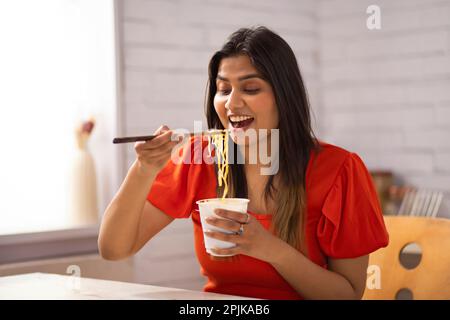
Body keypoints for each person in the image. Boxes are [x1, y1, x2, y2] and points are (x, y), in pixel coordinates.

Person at [98, 26, 389, 300]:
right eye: (223, 90)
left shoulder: (339, 170)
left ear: (284, 96)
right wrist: (144, 170)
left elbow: (348, 295)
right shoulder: (200, 158)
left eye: (250, 89)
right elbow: (114, 249)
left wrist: (270, 249)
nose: (232, 104)